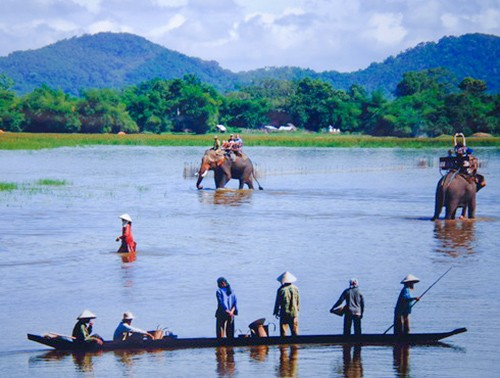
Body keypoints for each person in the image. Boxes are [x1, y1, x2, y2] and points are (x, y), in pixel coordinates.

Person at [273, 271, 300, 336]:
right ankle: (295, 345)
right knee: (295, 332)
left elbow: (277, 302)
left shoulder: (281, 289)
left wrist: (276, 311)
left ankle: (283, 345)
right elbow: (298, 301)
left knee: (283, 332)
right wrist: (297, 310)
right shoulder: (296, 288)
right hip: (294, 312)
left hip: (284, 312)